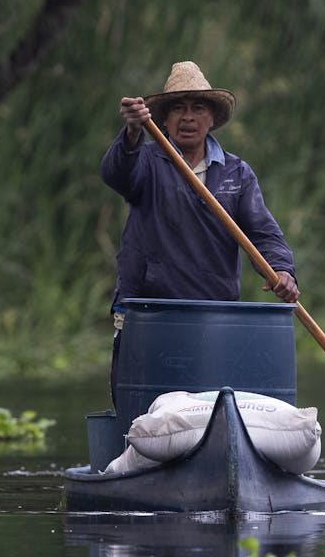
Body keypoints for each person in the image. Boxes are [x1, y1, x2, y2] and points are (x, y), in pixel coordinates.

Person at [102, 61, 299, 401]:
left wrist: (282, 270)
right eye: (178, 108)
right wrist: (133, 133)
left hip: (212, 314)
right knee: (144, 404)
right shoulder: (146, 160)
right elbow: (116, 174)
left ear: (212, 120)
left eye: (198, 109)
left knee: (208, 401)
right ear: (163, 120)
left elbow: (262, 232)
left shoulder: (237, 173)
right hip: (149, 311)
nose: (188, 117)